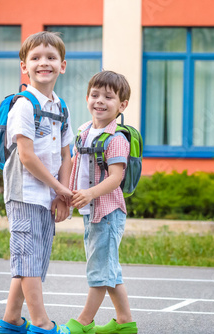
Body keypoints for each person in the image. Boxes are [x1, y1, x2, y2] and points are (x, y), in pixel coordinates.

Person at [0, 31, 74, 334]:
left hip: (48, 195)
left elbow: (67, 154)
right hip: (24, 193)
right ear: (24, 66)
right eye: (36, 58)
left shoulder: (60, 107)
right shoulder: (24, 106)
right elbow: (26, 157)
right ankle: (42, 325)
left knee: (35, 261)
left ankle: (11, 321)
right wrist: (61, 189)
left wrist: (61, 194)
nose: (44, 63)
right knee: (28, 259)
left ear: (62, 65)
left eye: (51, 58)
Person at [64, 71, 137, 334]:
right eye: (95, 95)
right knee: (108, 268)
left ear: (122, 105)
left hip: (107, 212)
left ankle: (83, 323)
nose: (100, 101)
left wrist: (91, 193)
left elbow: (116, 178)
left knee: (99, 270)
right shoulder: (84, 132)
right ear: (87, 98)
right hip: (90, 210)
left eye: (108, 97)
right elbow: (73, 164)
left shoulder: (116, 138)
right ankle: (125, 322)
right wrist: (64, 191)